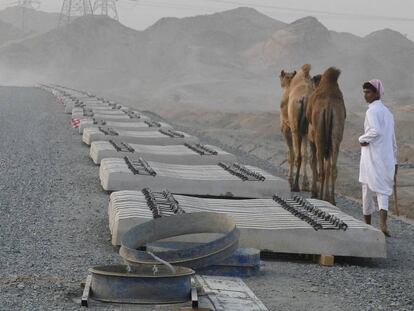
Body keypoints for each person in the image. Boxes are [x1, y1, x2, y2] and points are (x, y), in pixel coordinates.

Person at [359, 79, 398, 237]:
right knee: (382, 190)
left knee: (367, 188)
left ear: (377, 93)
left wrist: (362, 139)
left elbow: (375, 131)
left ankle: (368, 225)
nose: (365, 95)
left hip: (371, 156)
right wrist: (395, 161)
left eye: (368, 92)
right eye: (364, 92)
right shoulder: (388, 113)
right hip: (386, 157)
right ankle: (382, 224)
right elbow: (393, 140)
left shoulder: (371, 111)